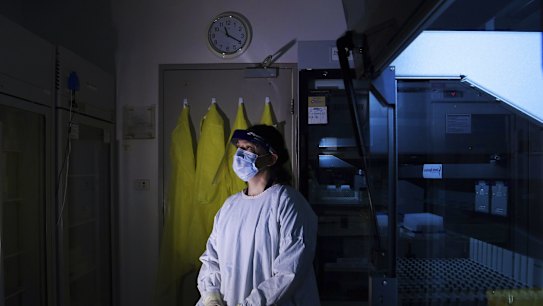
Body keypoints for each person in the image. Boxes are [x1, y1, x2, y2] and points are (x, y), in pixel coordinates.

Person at [196, 124, 320, 306]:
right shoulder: (230, 206)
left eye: (248, 149)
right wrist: (211, 297)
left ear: (271, 158)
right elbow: (211, 259)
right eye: (239, 148)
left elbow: (290, 271)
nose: (239, 155)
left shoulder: (288, 202)